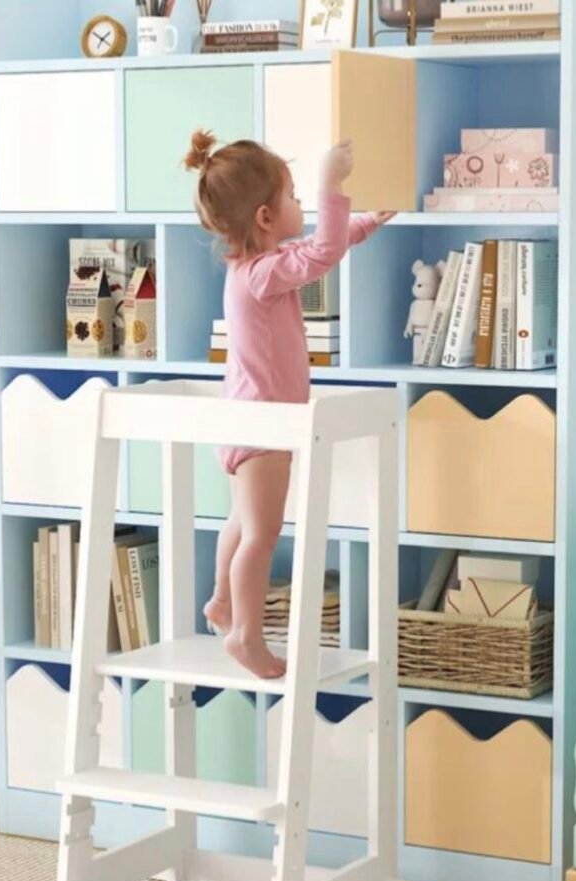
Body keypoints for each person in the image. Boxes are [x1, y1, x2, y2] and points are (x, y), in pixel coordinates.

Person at [184, 129, 394, 678]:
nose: (303, 204)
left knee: (241, 523)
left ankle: (222, 601)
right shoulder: (263, 276)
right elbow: (324, 251)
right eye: (295, 196)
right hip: (266, 428)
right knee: (261, 535)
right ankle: (245, 634)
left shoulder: (257, 267)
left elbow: (319, 246)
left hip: (248, 421)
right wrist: (332, 184)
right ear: (264, 217)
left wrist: (368, 221)